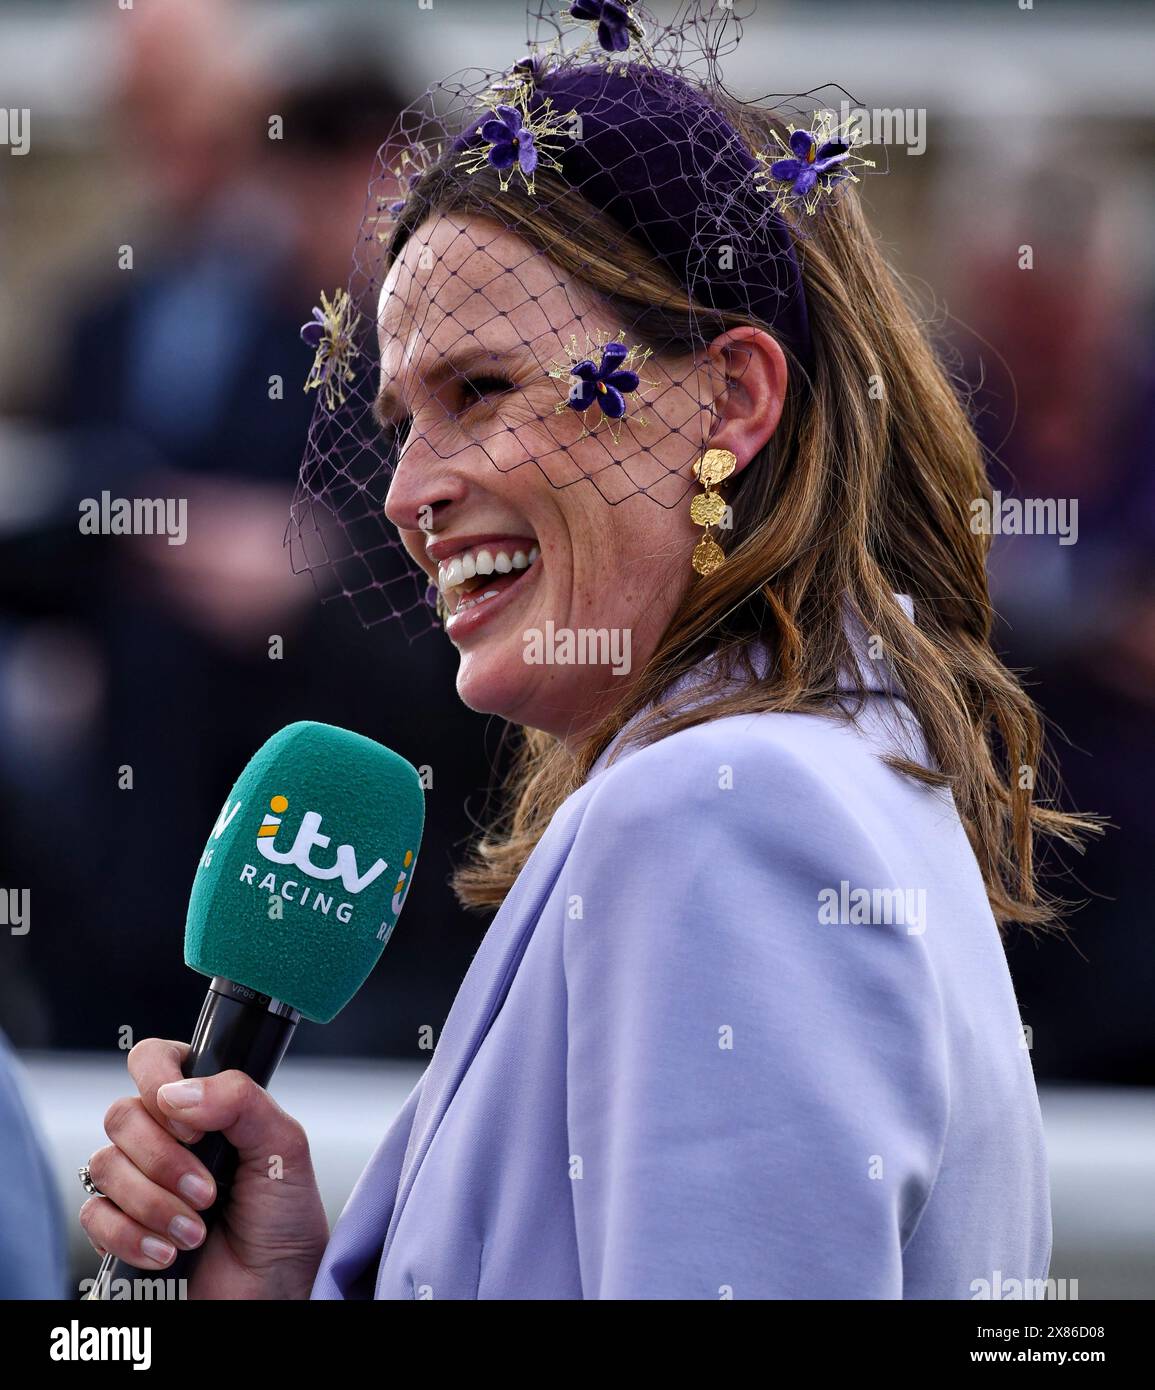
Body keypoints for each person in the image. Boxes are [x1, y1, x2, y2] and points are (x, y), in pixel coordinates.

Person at [78, 5, 1095, 1299]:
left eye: (482, 390)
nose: (403, 491)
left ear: (732, 397)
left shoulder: (725, 815)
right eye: (398, 417)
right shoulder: (833, 767)